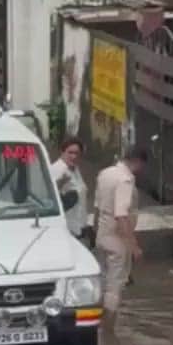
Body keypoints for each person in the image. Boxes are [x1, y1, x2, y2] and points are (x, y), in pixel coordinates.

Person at [94, 146, 147, 321]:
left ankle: (97, 322)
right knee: (114, 286)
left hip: (102, 235)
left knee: (102, 280)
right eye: (142, 166)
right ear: (137, 162)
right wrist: (134, 246)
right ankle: (109, 328)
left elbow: (97, 208)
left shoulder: (105, 174)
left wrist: (96, 234)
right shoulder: (125, 180)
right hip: (117, 240)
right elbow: (121, 215)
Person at [50, 137, 92, 244]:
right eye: (70, 152)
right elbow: (49, 198)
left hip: (78, 227)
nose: (74, 156)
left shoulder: (75, 169)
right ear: (62, 152)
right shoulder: (57, 169)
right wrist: (58, 185)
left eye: (77, 153)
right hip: (66, 229)